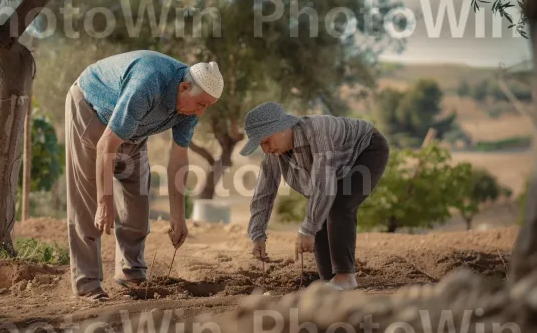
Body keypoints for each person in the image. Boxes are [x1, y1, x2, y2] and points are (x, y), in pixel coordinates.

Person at [65, 50, 224, 301]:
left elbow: (178, 161)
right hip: (93, 108)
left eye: (208, 106)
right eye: (202, 104)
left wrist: (178, 217)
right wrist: (104, 202)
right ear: (183, 87)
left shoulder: (191, 105)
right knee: (88, 201)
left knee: (137, 197)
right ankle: (87, 284)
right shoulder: (147, 82)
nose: (201, 113)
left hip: (133, 127)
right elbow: (107, 144)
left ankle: (131, 273)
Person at [241, 102, 389, 290]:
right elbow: (264, 191)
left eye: (266, 141)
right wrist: (257, 234)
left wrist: (307, 231)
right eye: (260, 144)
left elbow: (324, 186)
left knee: (338, 205)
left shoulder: (317, 132)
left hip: (367, 149)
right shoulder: (273, 152)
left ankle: (345, 277)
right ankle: (328, 280)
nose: (265, 149)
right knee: (319, 209)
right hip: (339, 163)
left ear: (283, 128)